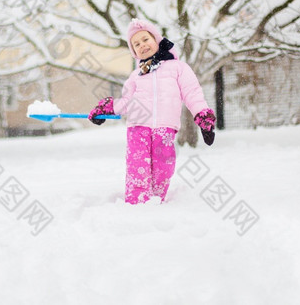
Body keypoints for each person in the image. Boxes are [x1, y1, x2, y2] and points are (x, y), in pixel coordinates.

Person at [88, 18, 216, 204]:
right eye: (136, 44)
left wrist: (203, 116)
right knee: (137, 167)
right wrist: (106, 109)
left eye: (145, 39)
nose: (142, 45)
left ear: (156, 39)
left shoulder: (178, 68)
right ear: (134, 51)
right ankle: (136, 203)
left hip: (165, 128)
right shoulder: (136, 75)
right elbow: (126, 100)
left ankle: (156, 202)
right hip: (137, 127)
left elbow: (192, 93)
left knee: (164, 167)